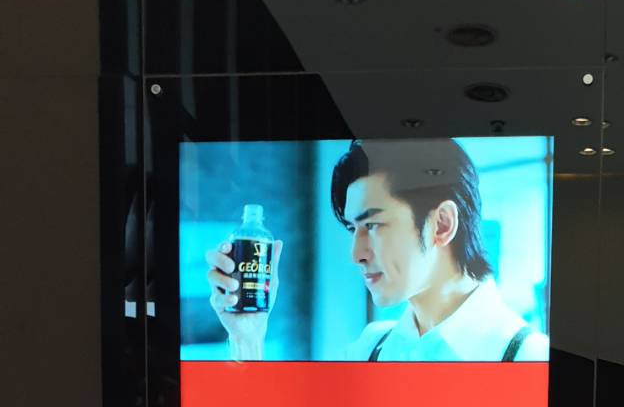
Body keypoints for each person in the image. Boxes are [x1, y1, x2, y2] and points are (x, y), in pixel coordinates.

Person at [206, 139, 549, 363]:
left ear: (442, 224)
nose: (356, 254)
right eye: (352, 228)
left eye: (373, 225)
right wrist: (247, 337)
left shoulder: (528, 356)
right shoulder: (371, 347)